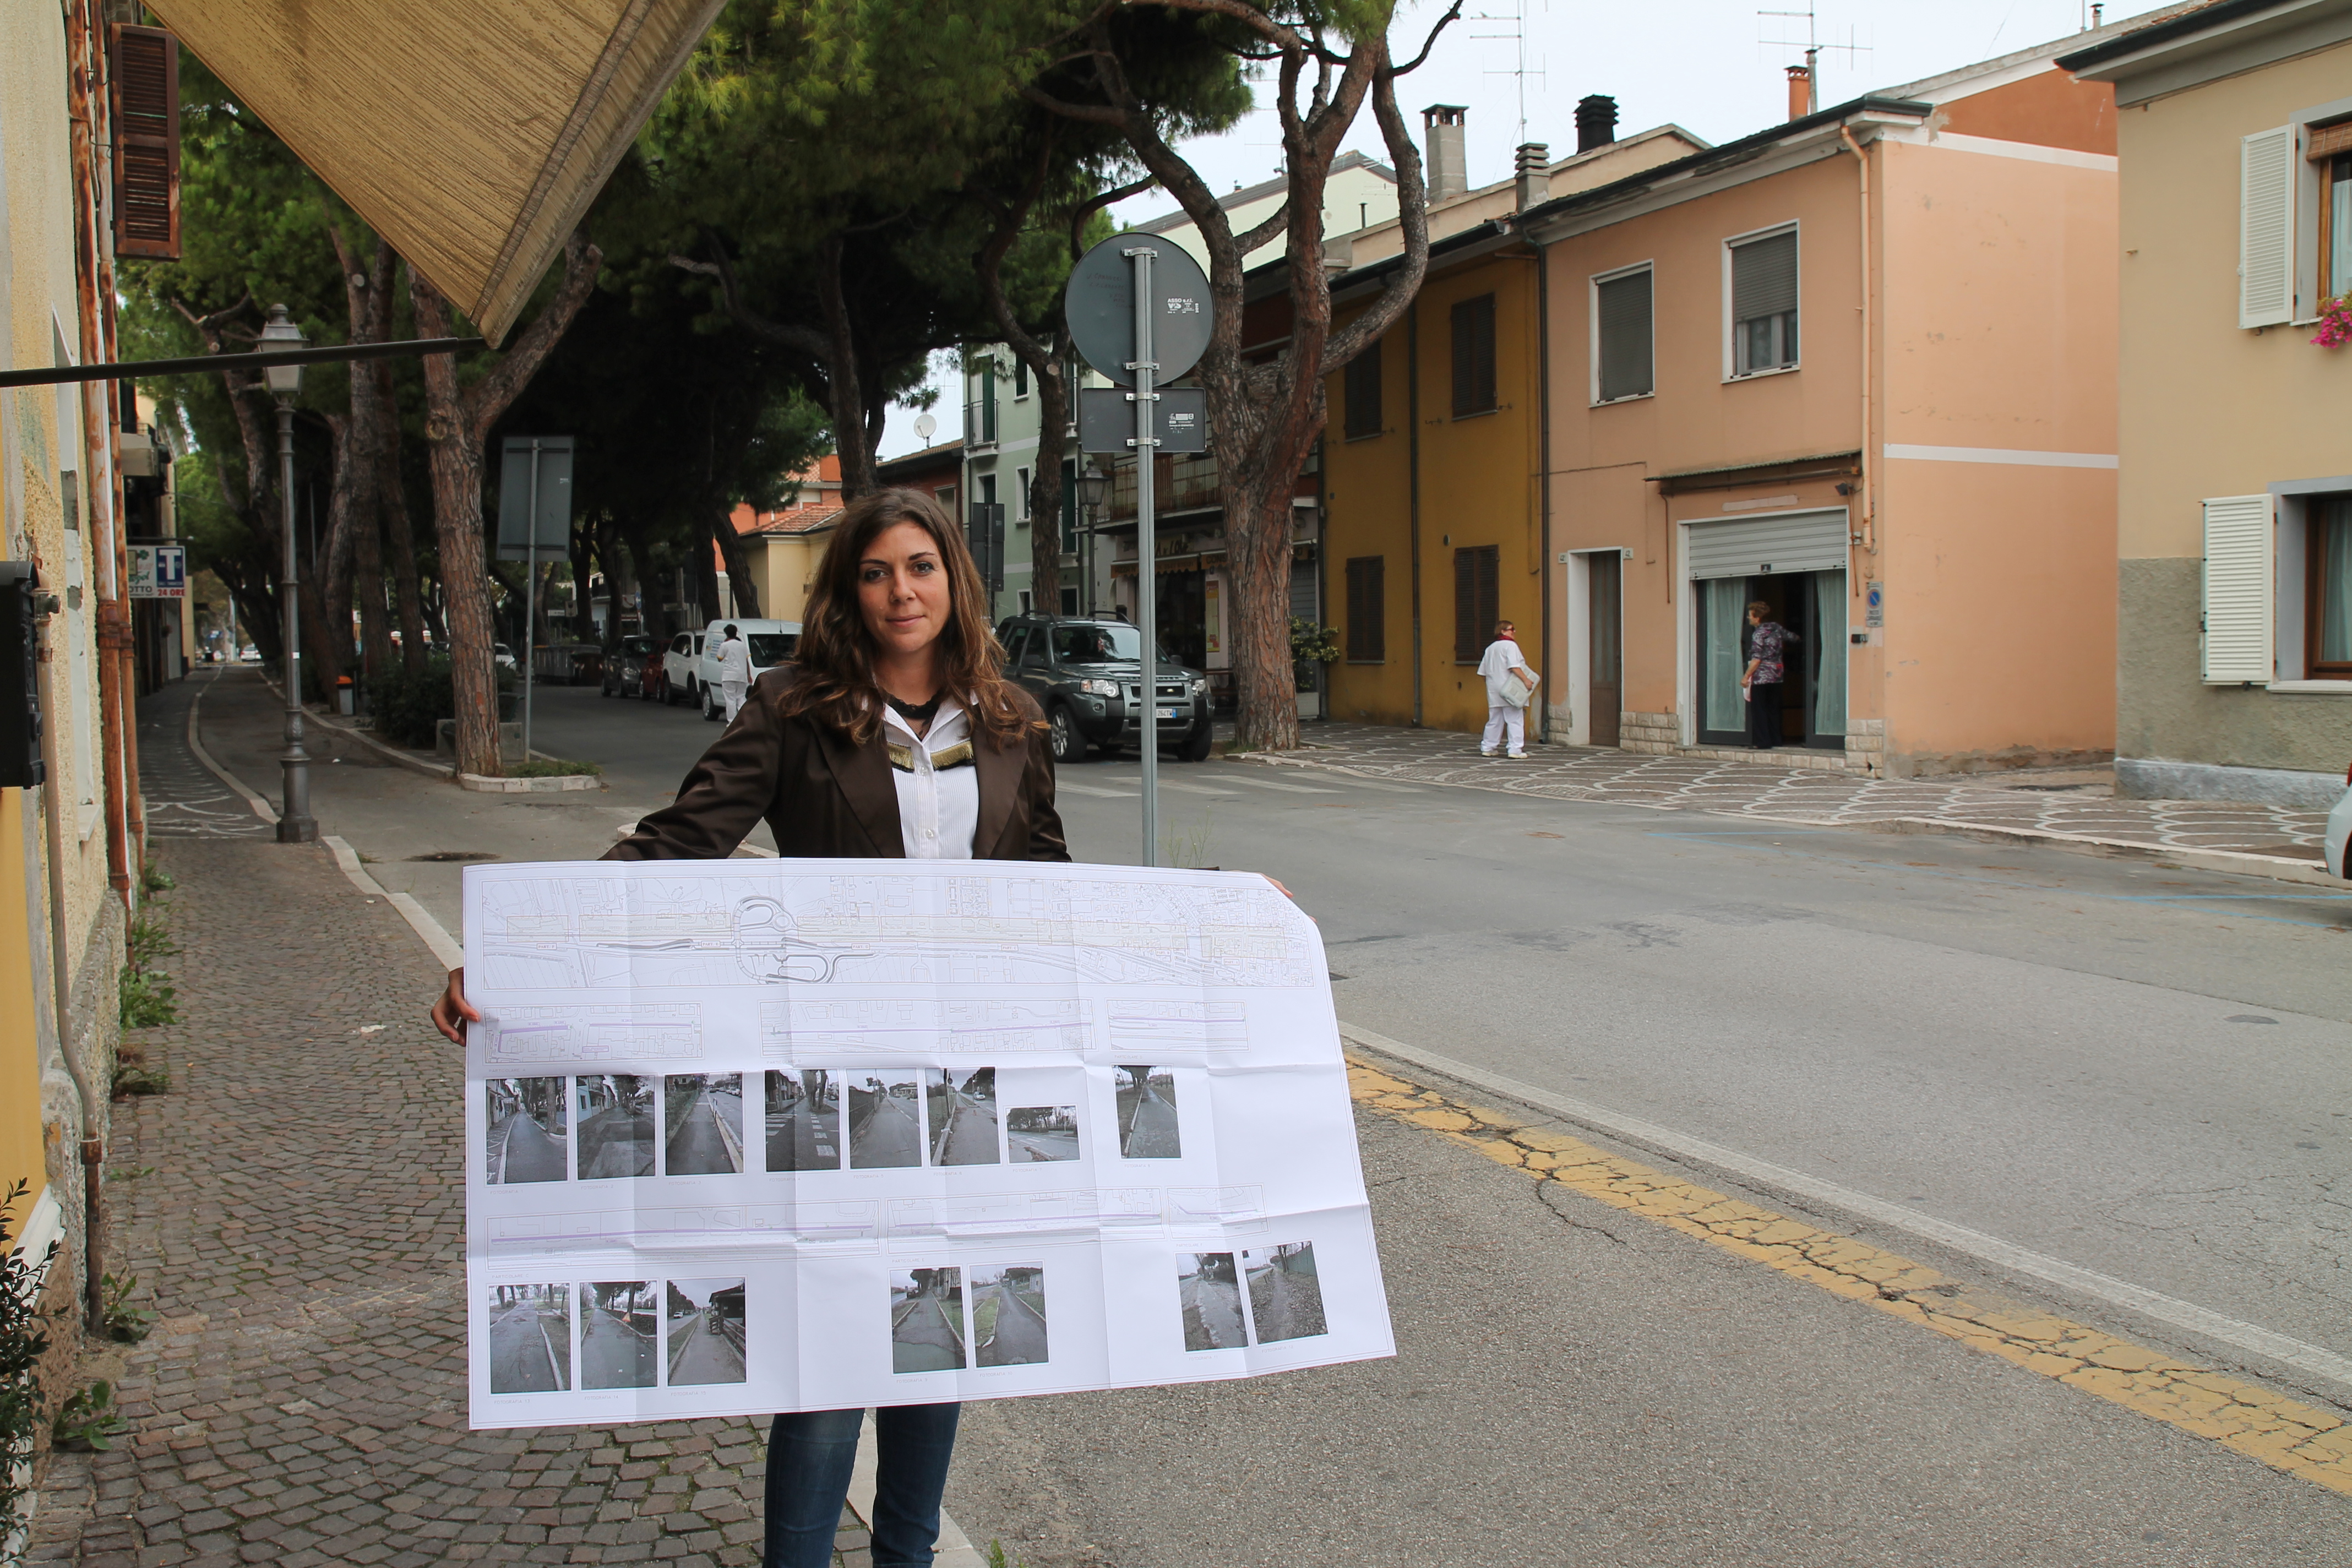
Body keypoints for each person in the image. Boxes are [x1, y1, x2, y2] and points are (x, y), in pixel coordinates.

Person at [431, 488, 1069, 1568]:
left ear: (953, 576)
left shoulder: (1012, 719)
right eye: (875, 572)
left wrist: (1220, 929)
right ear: (848, 591)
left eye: (919, 566)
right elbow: (681, 842)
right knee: (825, 1363)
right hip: (835, 1080)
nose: (899, 591)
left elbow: (1052, 885)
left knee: (940, 1337)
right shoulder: (791, 707)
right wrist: (523, 952)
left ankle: (905, 1557)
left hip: (967, 1077)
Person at [1474, 619, 1539, 759]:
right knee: (1515, 719)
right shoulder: (1510, 646)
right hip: (1510, 688)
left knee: (1494, 720)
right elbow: (1514, 666)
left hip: (1494, 689)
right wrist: (1526, 680)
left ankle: (1488, 747)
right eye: (1512, 629)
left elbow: (1483, 673)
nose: (1514, 632)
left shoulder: (1491, 648)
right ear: (1503, 631)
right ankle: (1515, 750)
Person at [1740, 600, 1798, 750]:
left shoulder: (1759, 634)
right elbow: (1794, 638)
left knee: (1759, 709)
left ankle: (1763, 742)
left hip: (1761, 677)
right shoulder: (1776, 628)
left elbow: (1756, 659)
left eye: (1750, 615)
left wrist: (1746, 676)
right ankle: (1776, 739)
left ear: (1757, 618)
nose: (1749, 618)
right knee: (1773, 708)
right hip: (1777, 675)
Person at [715, 622, 753, 722]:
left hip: (729, 675)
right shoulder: (743, 645)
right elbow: (746, 660)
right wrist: (749, 675)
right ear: (736, 633)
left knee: (730, 699)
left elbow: (719, 658)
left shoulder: (725, 645)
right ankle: (744, 720)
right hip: (742, 675)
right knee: (741, 698)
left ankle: (732, 722)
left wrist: (725, 642)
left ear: (726, 634)